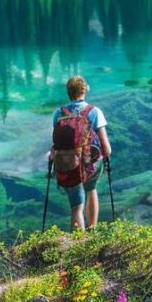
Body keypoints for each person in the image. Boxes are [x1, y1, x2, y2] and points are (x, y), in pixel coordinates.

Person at [52, 75, 111, 231]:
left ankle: (78, 242)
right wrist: (105, 156)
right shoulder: (94, 111)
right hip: (89, 162)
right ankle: (92, 230)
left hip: (67, 163)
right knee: (91, 189)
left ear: (68, 92)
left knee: (76, 207)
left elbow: (56, 143)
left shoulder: (58, 113)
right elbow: (106, 148)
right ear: (84, 91)